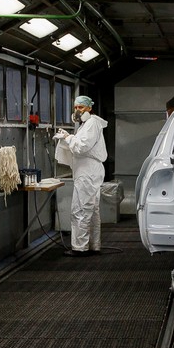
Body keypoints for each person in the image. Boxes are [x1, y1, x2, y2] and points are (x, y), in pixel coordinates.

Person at [54, 96, 108, 256]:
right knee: (91, 209)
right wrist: (68, 137)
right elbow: (80, 143)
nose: (77, 110)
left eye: (81, 108)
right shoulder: (86, 125)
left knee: (81, 209)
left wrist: (68, 138)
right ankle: (93, 245)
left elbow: (83, 147)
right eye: (76, 107)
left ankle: (80, 248)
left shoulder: (91, 123)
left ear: (89, 108)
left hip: (87, 172)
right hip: (88, 171)